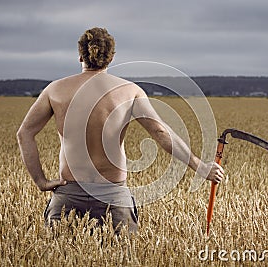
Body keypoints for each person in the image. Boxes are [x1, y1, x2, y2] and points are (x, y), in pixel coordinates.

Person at [17, 27, 224, 234]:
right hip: (114, 197)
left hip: (69, 195)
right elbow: (161, 133)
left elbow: (24, 133)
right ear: (111, 57)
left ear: (80, 55)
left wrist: (41, 181)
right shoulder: (129, 91)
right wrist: (200, 167)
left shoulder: (55, 89)